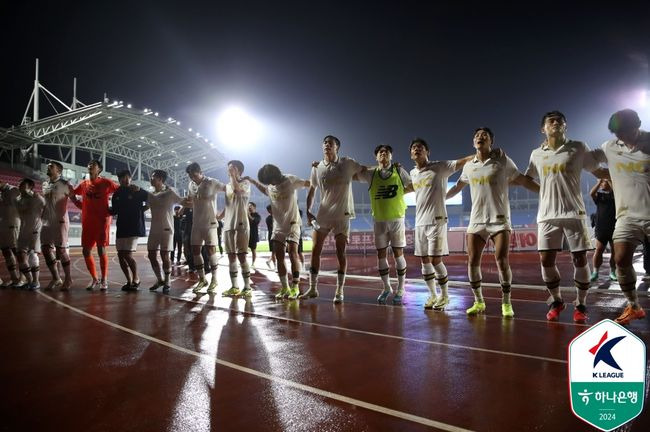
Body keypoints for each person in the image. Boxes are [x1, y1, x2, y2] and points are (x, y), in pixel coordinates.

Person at [524, 111, 609, 323]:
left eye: (560, 120)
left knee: (579, 259)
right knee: (545, 260)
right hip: (546, 215)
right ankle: (557, 300)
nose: (556, 122)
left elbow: (598, 171)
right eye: (550, 120)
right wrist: (543, 190)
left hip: (574, 212)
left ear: (565, 126)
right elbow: (526, 179)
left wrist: (626, 174)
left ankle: (580, 303)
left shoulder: (578, 147)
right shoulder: (536, 154)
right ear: (542, 128)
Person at [447, 128, 539, 317]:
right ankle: (478, 301)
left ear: (491, 142)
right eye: (477, 136)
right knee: (472, 262)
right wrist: (440, 198)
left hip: (499, 219)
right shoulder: (469, 166)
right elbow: (458, 186)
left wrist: (545, 191)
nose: (480, 137)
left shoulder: (502, 160)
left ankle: (506, 302)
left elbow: (521, 179)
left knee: (502, 261)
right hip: (476, 220)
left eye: (485, 136)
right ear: (474, 142)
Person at [594, 109, 648, 324]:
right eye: (616, 133)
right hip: (626, 216)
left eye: (623, 132)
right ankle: (634, 306)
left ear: (637, 126)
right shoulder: (610, 147)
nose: (619, 137)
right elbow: (585, 159)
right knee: (620, 259)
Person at [409, 138, 476, 311]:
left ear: (427, 152)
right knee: (424, 261)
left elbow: (462, 162)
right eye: (414, 148)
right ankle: (432, 295)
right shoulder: (413, 173)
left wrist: (482, 154)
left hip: (437, 220)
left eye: (421, 147)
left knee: (435, 260)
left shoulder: (439, 167)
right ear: (411, 154)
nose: (417, 149)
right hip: (419, 222)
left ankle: (445, 296)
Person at [302, 135, 364, 303]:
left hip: (342, 214)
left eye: (331, 143)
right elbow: (312, 190)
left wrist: (384, 167)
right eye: (325, 143)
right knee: (315, 249)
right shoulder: (317, 167)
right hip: (324, 214)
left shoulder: (347, 163)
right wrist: (307, 211)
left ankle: (339, 290)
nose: (327, 145)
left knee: (340, 252)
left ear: (337, 147)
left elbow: (365, 170)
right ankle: (313, 288)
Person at [355, 144, 412, 305]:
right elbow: (352, 176)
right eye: (380, 152)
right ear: (376, 157)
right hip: (378, 219)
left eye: (387, 152)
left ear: (391, 156)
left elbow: (413, 185)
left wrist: (400, 192)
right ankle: (386, 287)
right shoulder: (372, 173)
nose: (383, 154)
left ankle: (401, 288)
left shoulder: (399, 171)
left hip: (397, 218)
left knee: (398, 254)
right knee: (381, 255)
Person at [247, 164, 310, 299]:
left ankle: (295, 287)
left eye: (270, 180)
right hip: (278, 226)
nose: (269, 183)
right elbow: (264, 189)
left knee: (293, 253)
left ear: (275, 175)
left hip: (293, 223)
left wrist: (319, 175)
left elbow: (307, 183)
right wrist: (252, 181)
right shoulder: (271, 186)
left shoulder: (290, 180)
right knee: (279, 255)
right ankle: (285, 287)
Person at [72, 159, 119, 291]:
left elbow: (120, 191)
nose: (90, 166)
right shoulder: (83, 185)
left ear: (99, 169)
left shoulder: (106, 182)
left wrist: (113, 209)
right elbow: (77, 199)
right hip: (87, 222)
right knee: (86, 251)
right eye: (88, 164)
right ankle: (94, 278)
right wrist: (72, 198)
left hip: (102, 221)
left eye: (93, 165)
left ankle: (104, 280)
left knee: (100, 249)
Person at [183, 162, 226, 294]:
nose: (191, 177)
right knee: (195, 250)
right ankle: (202, 279)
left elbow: (228, 191)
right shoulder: (191, 185)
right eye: (190, 175)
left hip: (210, 223)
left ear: (200, 171)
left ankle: (214, 279)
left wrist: (223, 213)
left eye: (193, 174)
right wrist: (181, 203)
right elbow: (191, 202)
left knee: (210, 250)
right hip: (196, 223)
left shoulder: (212, 182)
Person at [110, 170, 148, 291]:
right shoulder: (116, 194)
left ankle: (136, 278)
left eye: (127, 177)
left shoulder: (136, 190)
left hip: (134, 227)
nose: (125, 179)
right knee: (120, 255)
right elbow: (114, 211)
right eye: (122, 177)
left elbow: (150, 199)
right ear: (119, 179)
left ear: (131, 178)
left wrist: (142, 209)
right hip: (121, 226)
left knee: (127, 254)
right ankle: (129, 280)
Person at [41, 161, 76, 291]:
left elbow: (75, 200)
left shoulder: (65, 184)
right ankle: (56, 278)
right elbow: (45, 203)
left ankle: (68, 278)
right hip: (46, 221)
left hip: (60, 221)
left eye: (51, 166)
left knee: (60, 250)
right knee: (45, 249)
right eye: (48, 166)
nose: (48, 167)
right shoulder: (45, 184)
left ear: (59, 171)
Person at [146, 170, 183, 293]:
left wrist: (196, 200)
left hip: (167, 228)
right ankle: (159, 279)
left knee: (164, 255)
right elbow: (146, 206)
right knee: (151, 255)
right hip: (154, 228)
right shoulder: (150, 194)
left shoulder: (170, 192)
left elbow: (183, 201)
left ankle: (167, 281)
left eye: (153, 177)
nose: (151, 179)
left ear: (160, 179)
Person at [221, 160, 253, 298]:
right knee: (231, 256)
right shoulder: (227, 185)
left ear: (238, 170)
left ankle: (247, 287)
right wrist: (220, 215)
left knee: (241, 256)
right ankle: (234, 287)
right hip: (228, 224)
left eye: (232, 168)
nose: (229, 170)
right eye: (228, 168)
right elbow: (229, 203)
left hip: (240, 223)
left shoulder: (245, 183)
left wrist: (233, 177)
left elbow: (237, 191)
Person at [14, 178, 45, 290]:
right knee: (21, 257)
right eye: (19, 184)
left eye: (23, 185)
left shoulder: (37, 198)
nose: (20, 186)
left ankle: (36, 282)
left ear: (30, 187)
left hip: (35, 230)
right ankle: (30, 280)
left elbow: (45, 206)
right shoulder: (17, 200)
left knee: (33, 255)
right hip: (23, 230)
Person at [589, 179, 617, 282]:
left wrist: (609, 180)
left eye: (603, 182)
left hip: (614, 227)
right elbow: (591, 193)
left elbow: (616, 192)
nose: (601, 184)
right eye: (601, 183)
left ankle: (613, 272)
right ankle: (595, 272)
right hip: (601, 227)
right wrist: (599, 181)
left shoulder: (615, 195)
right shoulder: (600, 196)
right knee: (599, 250)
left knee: (614, 252)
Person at [0, 180, 22, 288]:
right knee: (6, 251)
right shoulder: (2, 192)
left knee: (16, 250)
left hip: (13, 223)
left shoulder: (14, 190)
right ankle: (13, 278)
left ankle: (22, 278)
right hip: (3, 224)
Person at [248, 202, 261, 269]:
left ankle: (253, 263)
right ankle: (244, 262)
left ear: (254, 207)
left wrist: (249, 215)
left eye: (250, 206)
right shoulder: (245, 215)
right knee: (243, 249)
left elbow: (254, 221)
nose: (249, 207)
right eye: (248, 206)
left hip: (253, 235)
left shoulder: (257, 215)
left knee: (253, 250)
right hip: (246, 234)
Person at [265, 204, 276, 270]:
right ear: (269, 210)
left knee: (275, 251)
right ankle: (275, 265)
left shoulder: (276, 216)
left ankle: (269, 261)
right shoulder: (269, 218)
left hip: (276, 235)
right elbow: (273, 226)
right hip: (272, 236)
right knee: (274, 251)